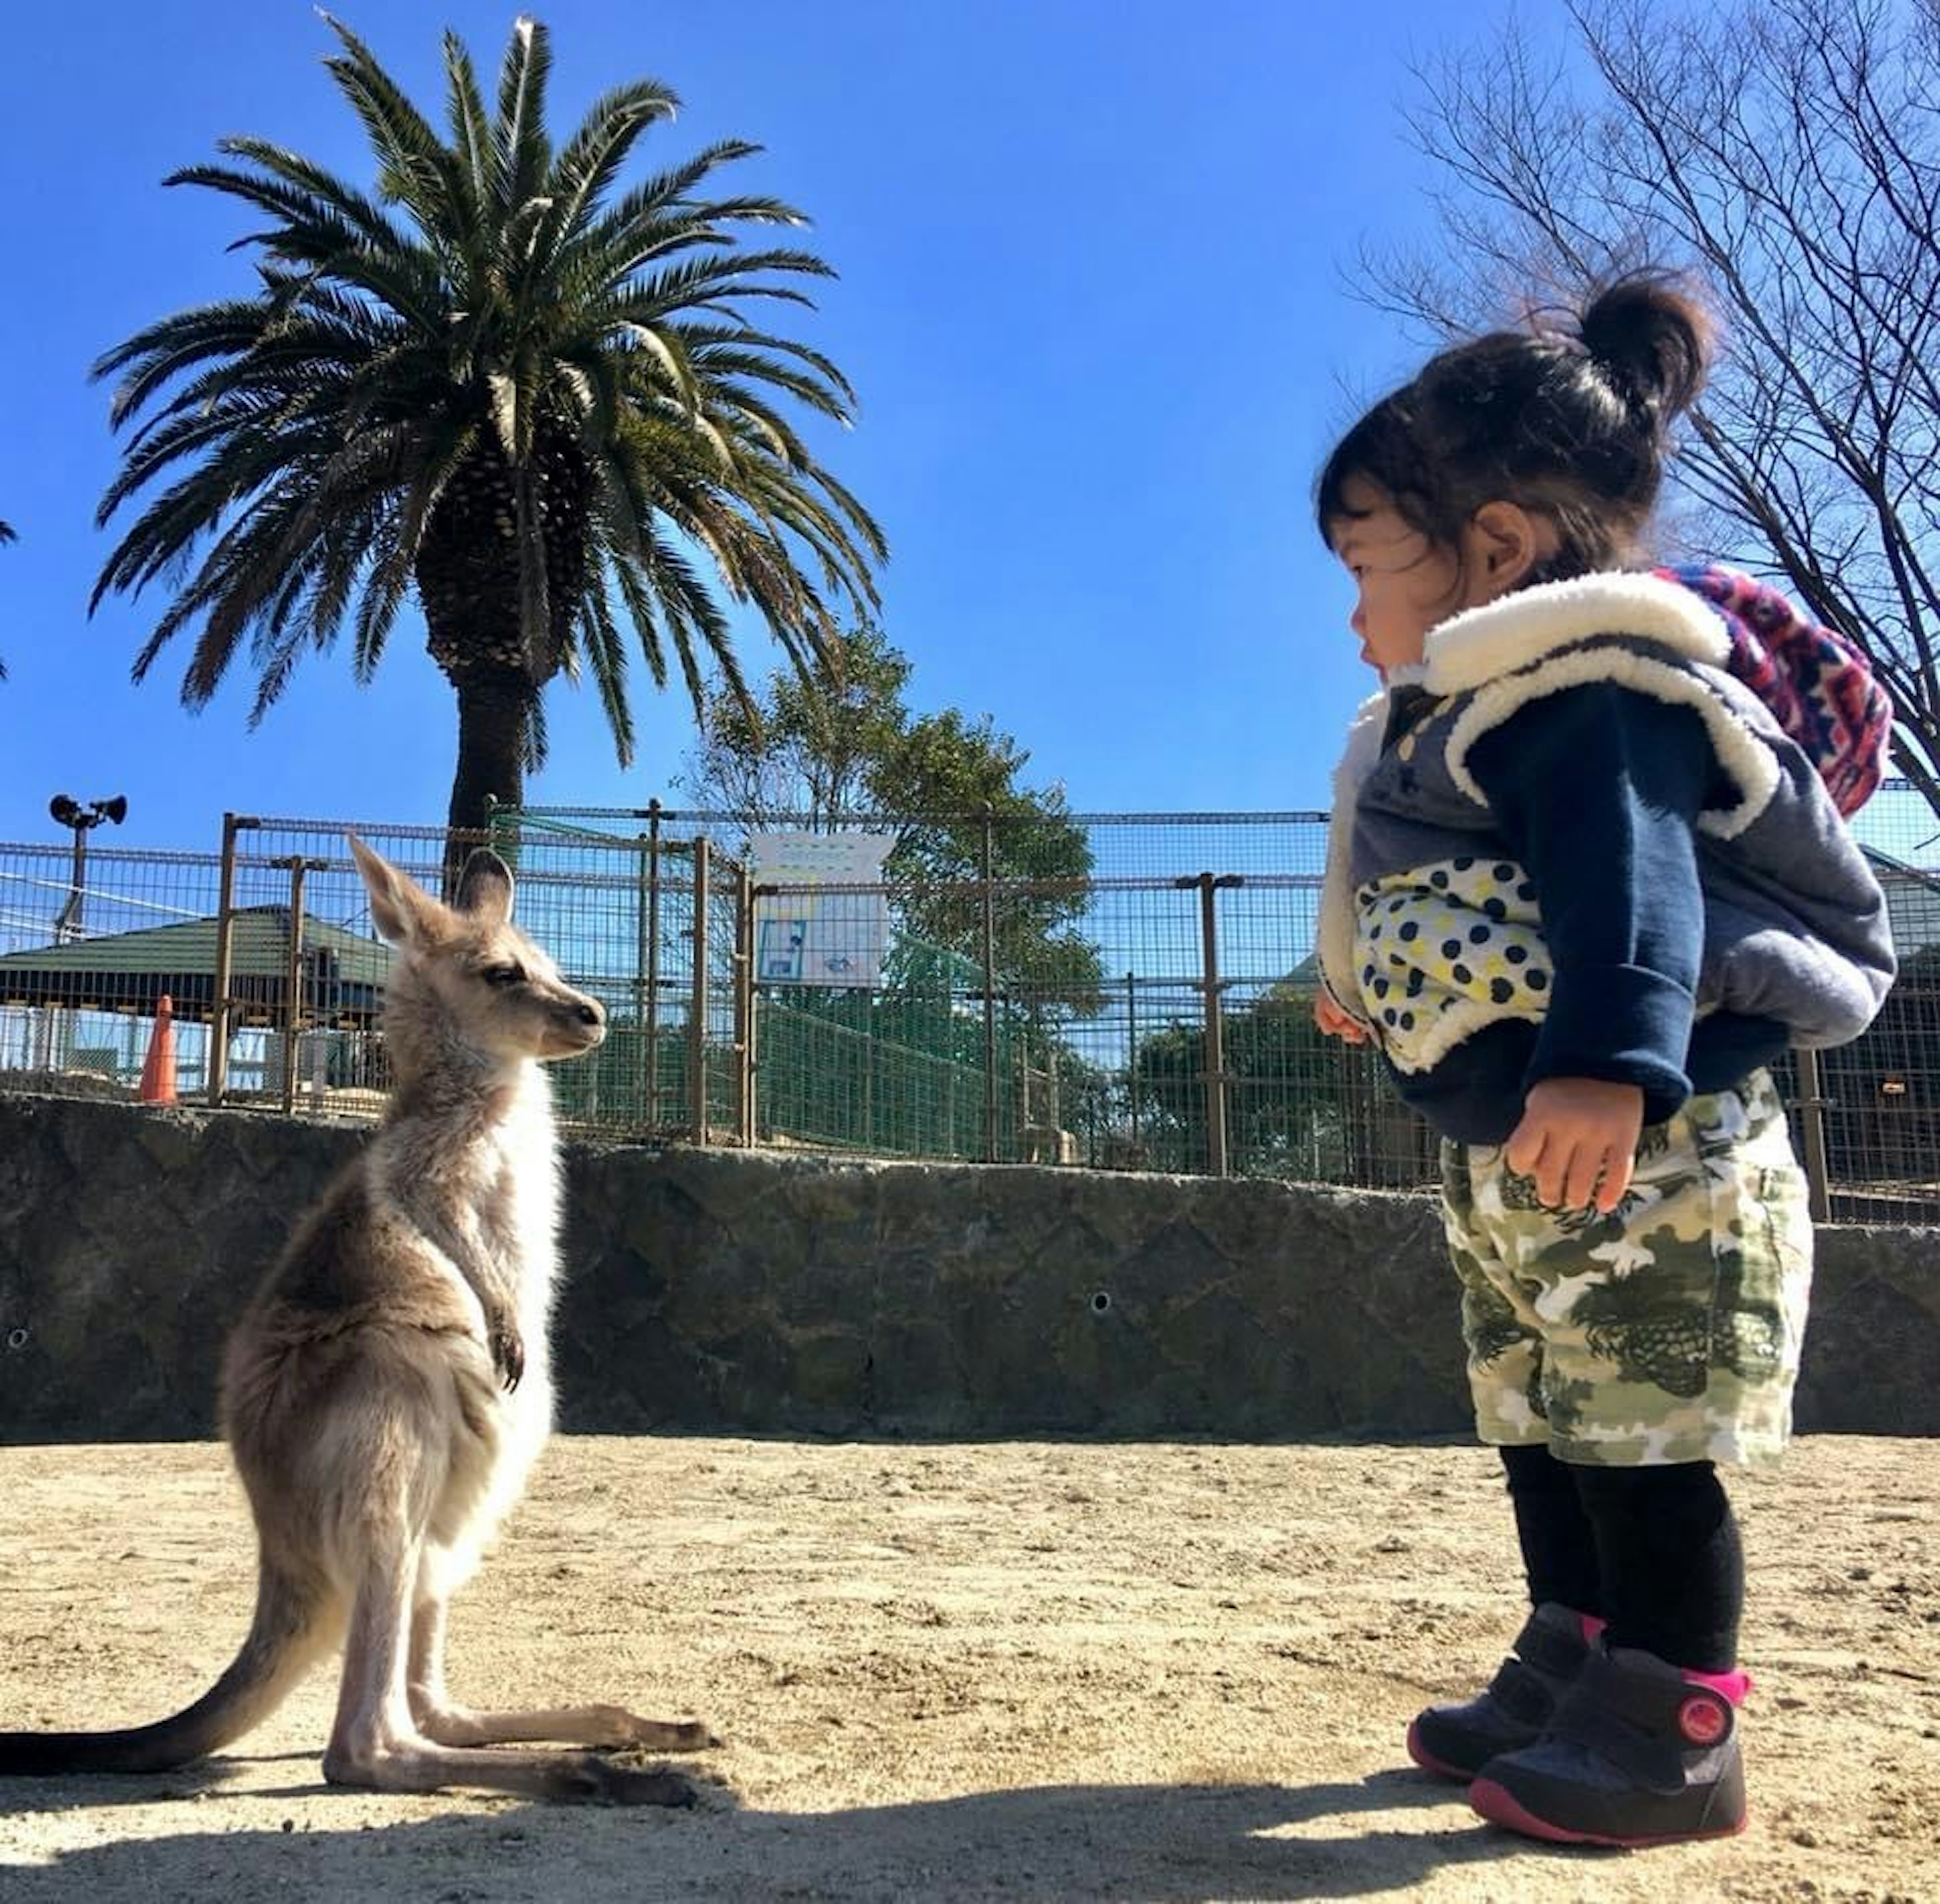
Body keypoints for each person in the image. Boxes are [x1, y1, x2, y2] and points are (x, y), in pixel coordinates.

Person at [1311, 271, 1895, 1847]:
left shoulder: (1593, 692)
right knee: (1552, 1431)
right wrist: (1385, 983)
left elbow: (1631, 893)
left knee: (1646, 1451)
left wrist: (1607, 1068)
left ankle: (1677, 1725)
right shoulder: (1475, 716)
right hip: (1542, 1177)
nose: (1354, 616)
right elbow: (1476, 904)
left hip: (1653, 1160)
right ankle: (1573, 1659)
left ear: (1494, 549)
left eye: (1366, 566)